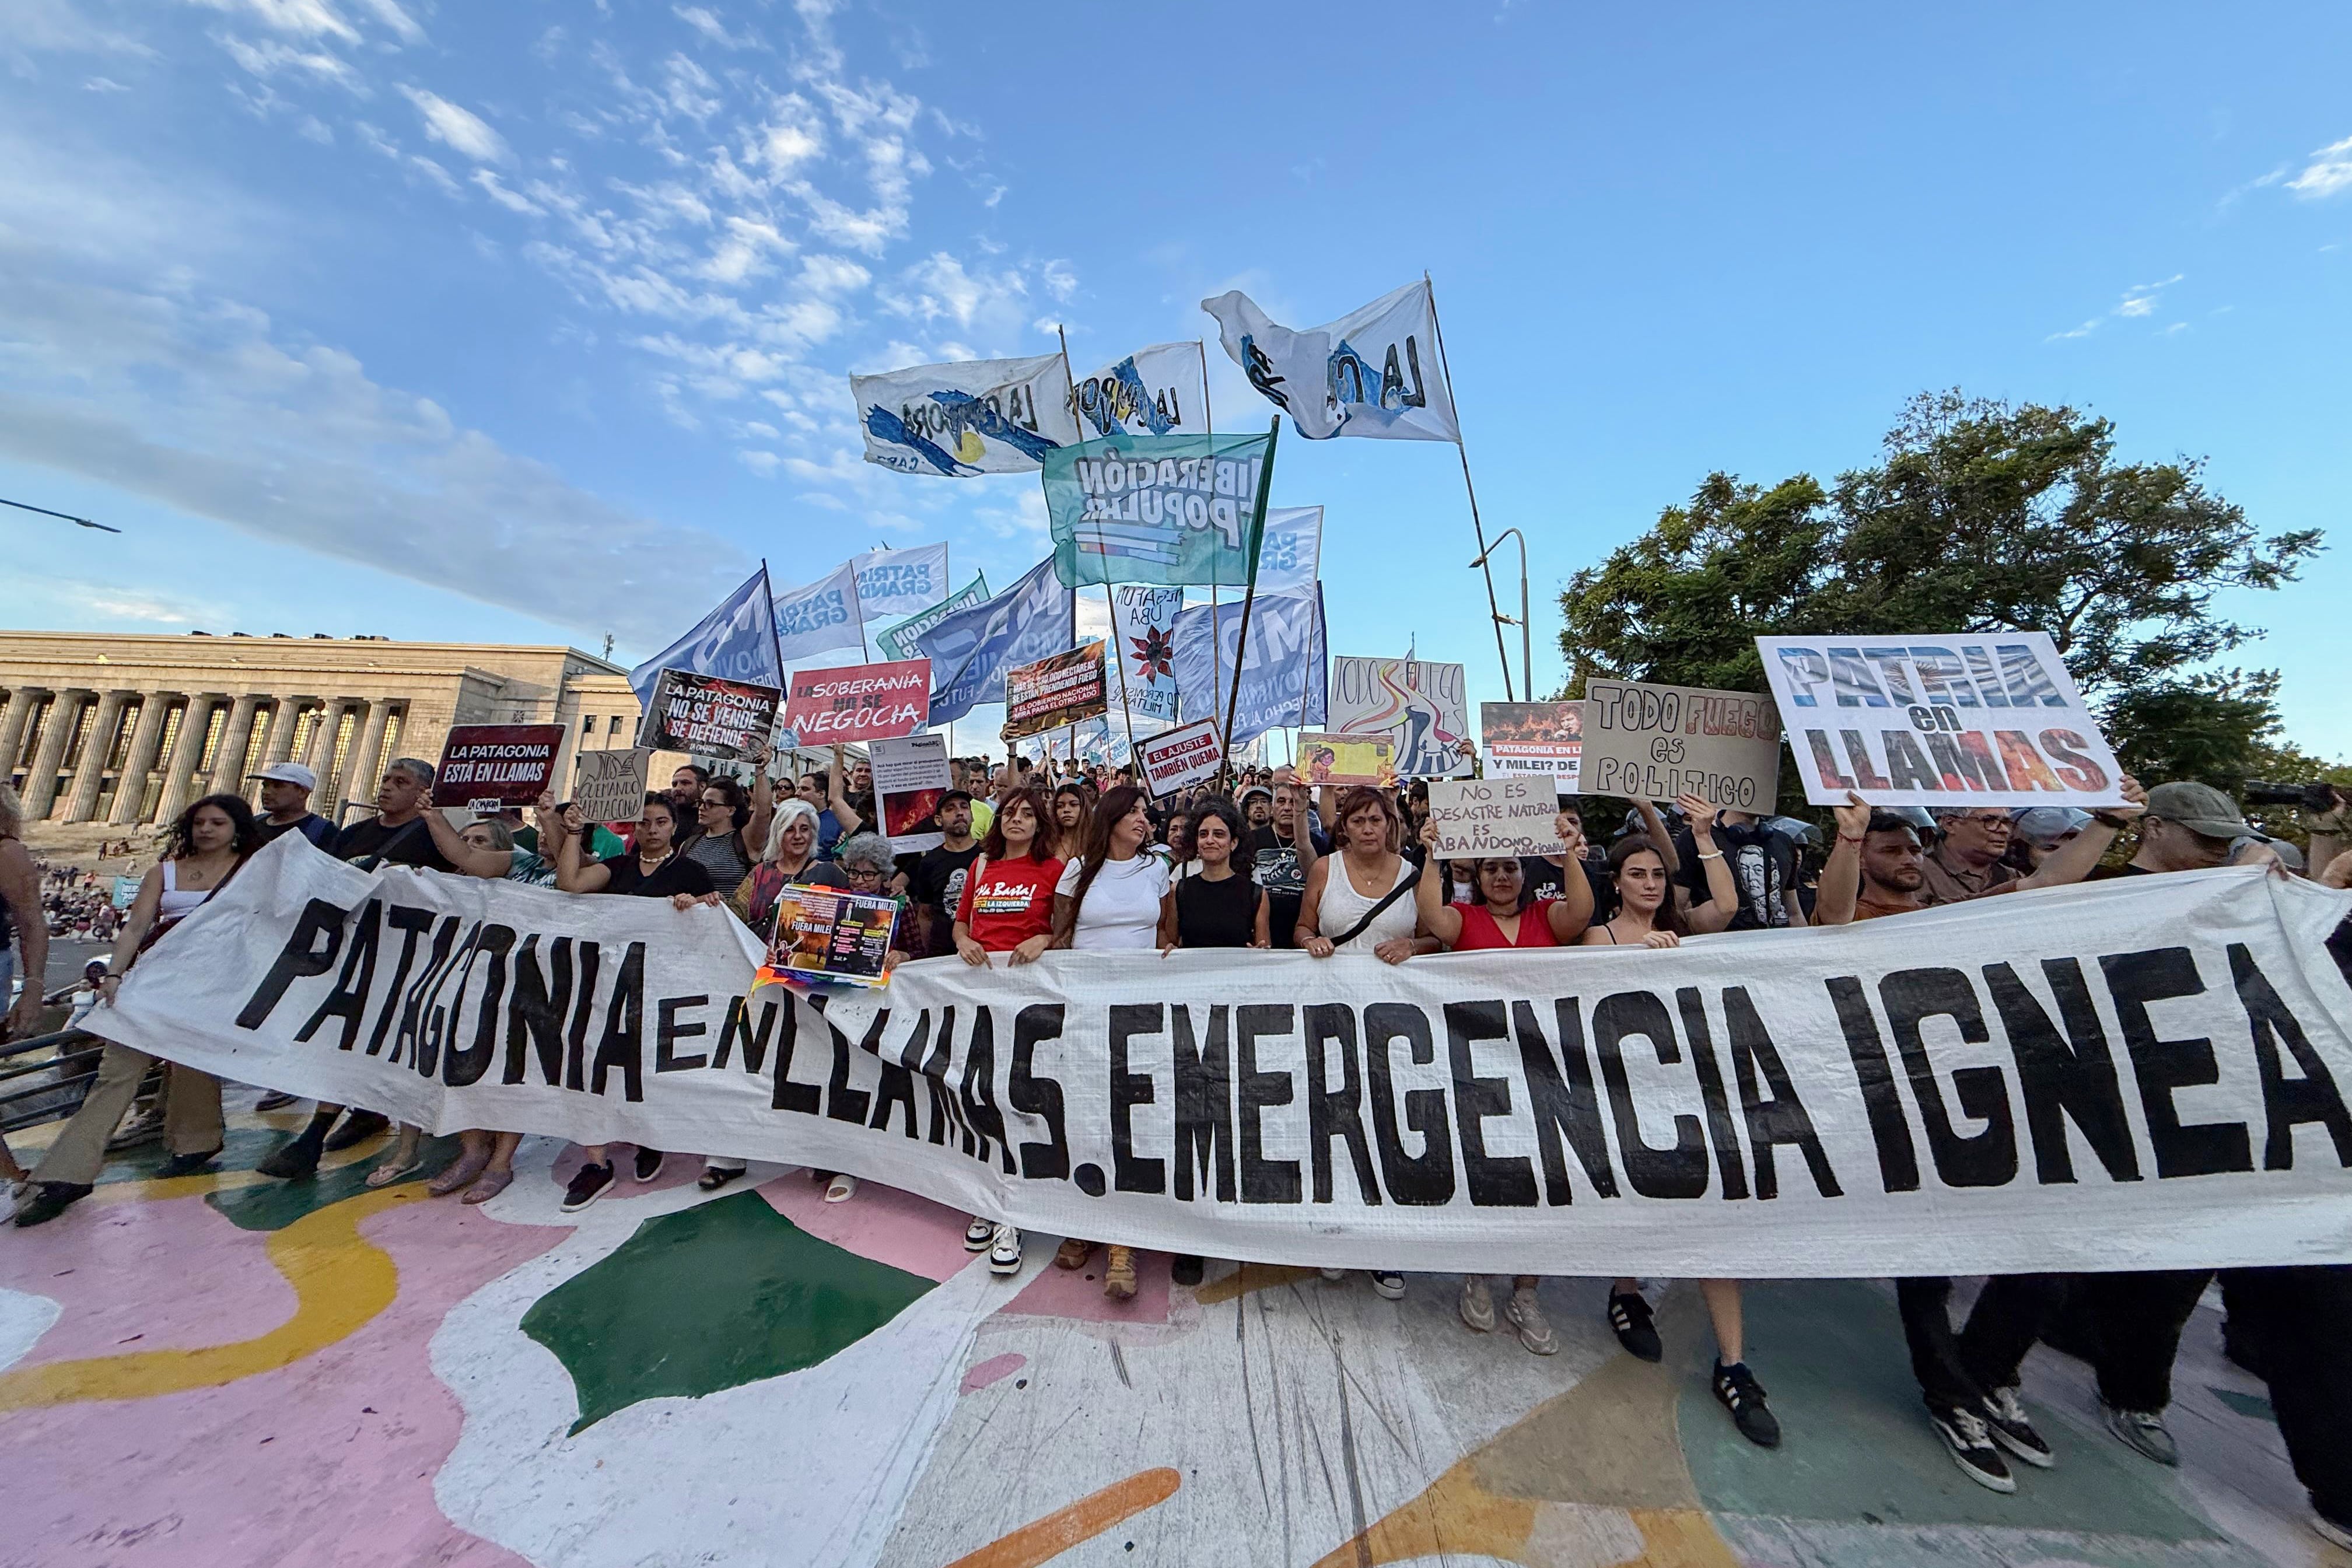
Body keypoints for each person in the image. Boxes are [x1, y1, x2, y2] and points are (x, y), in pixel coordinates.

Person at [1580, 821, 1778, 1446]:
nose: (1649, 883)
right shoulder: (1599, 936)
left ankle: (1735, 1364)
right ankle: (1626, 1289)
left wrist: (1701, 836)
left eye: (1658, 874)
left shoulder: (1689, 928)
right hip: (1624, 1092)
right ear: (1617, 884)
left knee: (1710, 1218)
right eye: (1637, 874)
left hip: (1691, 1091)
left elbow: (1728, 904)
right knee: (1633, 1196)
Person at [12, 794, 258, 1227]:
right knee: (117, 1072)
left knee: (193, 1066)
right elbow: (137, 927)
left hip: (214, 986)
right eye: (199, 822)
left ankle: (197, 1142)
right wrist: (114, 976)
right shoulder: (164, 871)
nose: (206, 830)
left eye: (217, 823)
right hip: (156, 982)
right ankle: (67, 1174)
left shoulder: (256, 871)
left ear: (236, 828)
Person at [255, 758, 457, 1179]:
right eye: (385, 778)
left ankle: (370, 1117)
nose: (386, 787)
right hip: (348, 953)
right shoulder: (352, 835)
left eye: (400, 782)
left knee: (387, 1041)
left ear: (422, 791)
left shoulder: (434, 838)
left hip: (406, 958)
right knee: (340, 1040)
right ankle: (321, 1128)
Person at [546, 794, 716, 1210]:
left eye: (660, 822)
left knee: (647, 1064)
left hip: (661, 987)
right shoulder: (618, 866)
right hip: (604, 983)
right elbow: (570, 883)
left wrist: (695, 905)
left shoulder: (691, 871)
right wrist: (572, 831)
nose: (652, 829)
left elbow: (715, 921)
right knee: (591, 1063)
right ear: (634, 828)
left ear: (674, 827)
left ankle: (650, 1138)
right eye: (644, 823)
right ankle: (596, 1162)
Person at [1296, 787, 1430, 1301]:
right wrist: (1310, 939)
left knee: (1390, 1126)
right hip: (1330, 1015)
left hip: (1394, 1024)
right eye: (1359, 820)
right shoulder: (1325, 870)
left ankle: (1384, 1245)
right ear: (1344, 827)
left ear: (1391, 823)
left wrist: (1413, 944)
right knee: (1335, 1121)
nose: (1369, 827)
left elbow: (1438, 935)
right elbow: (1304, 924)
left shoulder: (1413, 873)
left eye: (1378, 818)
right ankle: (1337, 1233)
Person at [1049, 785, 1175, 1300]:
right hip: (1086, 1010)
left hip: (1141, 1012)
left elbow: (1169, 932)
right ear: (1113, 818)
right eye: (1136, 812)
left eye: (1146, 812)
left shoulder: (1156, 870)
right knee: (1086, 1116)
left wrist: (1169, 952)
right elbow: (1060, 936)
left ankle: (1123, 1240)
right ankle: (1084, 1218)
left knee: (1133, 1118)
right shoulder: (1078, 870)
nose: (1144, 820)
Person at [944, 784, 1061, 1275]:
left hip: (1030, 1002)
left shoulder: (1054, 870)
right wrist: (964, 941)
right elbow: (960, 923)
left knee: (1023, 1099)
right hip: (980, 998)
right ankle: (991, 1199)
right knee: (982, 1096)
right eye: (1009, 813)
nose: (1016, 820)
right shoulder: (980, 867)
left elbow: (1067, 927)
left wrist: (1043, 938)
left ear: (1039, 824)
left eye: (1026, 814)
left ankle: (1014, 1211)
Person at [1247, 778, 1329, 950]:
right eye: (1281, 801)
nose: (1287, 807)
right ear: (1272, 807)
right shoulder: (1251, 841)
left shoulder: (1319, 845)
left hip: (1306, 936)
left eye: (1293, 802)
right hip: (1263, 934)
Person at [909, 790, 983, 959]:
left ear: (972, 816)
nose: (959, 812)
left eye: (964, 807)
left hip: (982, 949)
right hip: (942, 953)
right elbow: (925, 914)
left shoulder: (989, 856)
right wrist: (926, 956)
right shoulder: (929, 862)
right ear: (938, 820)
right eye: (950, 809)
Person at [679, 772, 766, 899]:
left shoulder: (745, 841)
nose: (702, 808)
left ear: (731, 810)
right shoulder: (689, 844)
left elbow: (763, 811)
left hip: (730, 916)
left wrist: (760, 771)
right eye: (701, 802)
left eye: (711, 804)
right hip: (692, 916)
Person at [249, 762, 336, 849]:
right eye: (265, 786)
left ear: (302, 792)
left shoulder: (323, 831)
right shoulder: (253, 824)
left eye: (277, 786)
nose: (266, 792)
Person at [1047, 782, 1091, 863]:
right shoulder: (1048, 843)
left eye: (1073, 805)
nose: (1066, 810)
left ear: (1084, 807)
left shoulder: (1096, 842)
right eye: (1060, 806)